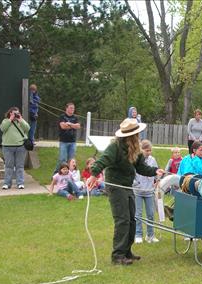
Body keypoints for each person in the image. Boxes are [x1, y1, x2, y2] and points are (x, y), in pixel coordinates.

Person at [87, 118, 164, 265]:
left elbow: (141, 168)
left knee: (132, 220)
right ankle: (117, 255)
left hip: (128, 187)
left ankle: (127, 251)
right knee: (122, 219)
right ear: (129, 136)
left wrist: (155, 171)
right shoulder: (115, 147)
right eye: (136, 134)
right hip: (116, 187)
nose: (138, 136)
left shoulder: (136, 149)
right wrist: (93, 174)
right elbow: (103, 160)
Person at [133, 140, 159, 244]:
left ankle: (150, 235)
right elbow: (133, 173)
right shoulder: (136, 159)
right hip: (138, 191)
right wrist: (135, 183)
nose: (148, 152)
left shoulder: (153, 160)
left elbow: (156, 172)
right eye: (146, 150)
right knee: (138, 214)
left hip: (149, 191)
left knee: (151, 214)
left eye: (150, 150)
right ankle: (138, 234)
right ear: (141, 150)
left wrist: (157, 180)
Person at [0, 107, 30, 190]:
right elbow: (3, 128)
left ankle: (20, 183)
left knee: (19, 166)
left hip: (20, 147)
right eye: (14, 113)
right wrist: (10, 119)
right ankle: (7, 183)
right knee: (9, 166)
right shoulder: (5, 121)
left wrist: (21, 119)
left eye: (17, 113)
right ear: (10, 113)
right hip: (7, 147)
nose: (16, 115)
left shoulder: (21, 121)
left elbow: (28, 128)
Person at [55, 102, 81, 173]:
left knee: (71, 160)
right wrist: (73, 125)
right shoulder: (62, 116)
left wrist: (69, 124)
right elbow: (62, 126)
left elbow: (78, 126)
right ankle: (57, 174)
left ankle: (69, 175)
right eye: (71, 108)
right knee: (62, 159)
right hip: (63, 141)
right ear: (66, 108)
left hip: (73, 142)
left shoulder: (75, 117)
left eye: (73, 108)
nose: (72, 109)